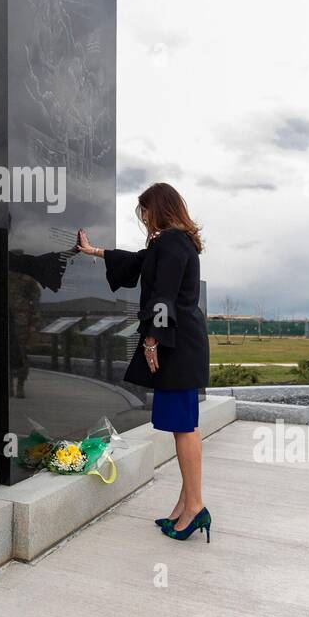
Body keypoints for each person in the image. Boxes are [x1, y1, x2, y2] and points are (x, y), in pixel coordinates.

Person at [77, 182, 211, 542]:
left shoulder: (170, 242)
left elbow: (164, 294)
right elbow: (137, 262)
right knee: (185, 426)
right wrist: (96, 251)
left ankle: (195, 507)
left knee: (184, 427)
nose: (144, 218)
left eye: (146, 211)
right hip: (184, 342)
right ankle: (187, 506)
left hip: (176, 345)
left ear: (160, 208)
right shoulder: (171, 241)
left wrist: (152, 339)